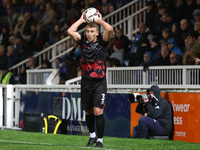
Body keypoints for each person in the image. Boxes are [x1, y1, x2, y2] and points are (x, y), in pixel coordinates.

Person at [67, 10, 113, 148]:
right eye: (87, 31)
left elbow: (109, 29)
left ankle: (100, 140)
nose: (89, 33)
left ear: (97, 32)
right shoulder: (82, 41)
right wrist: (82, 19)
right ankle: (92, 136)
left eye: (92, 31)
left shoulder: (103, 42)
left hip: (99, 81)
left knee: (98, 110)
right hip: (86, 80)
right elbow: (70, 31)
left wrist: (98, 21)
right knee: (88, 111)